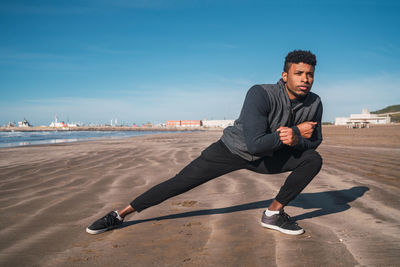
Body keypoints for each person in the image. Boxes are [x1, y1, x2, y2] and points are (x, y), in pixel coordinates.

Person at [86, 50, 323, 236]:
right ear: (285, 76)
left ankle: (273, 213)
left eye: (309, 74)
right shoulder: (261, 93)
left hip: (269, 157)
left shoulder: (315, 104)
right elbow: (254, 145)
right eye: (299, 73)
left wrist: (297, 141)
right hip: (232, 150)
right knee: (179, 183)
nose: (305, 79)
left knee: (313, 160)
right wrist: (293, 133)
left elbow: (315, 141)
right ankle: (119, 215)